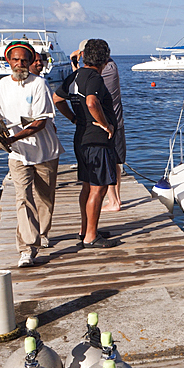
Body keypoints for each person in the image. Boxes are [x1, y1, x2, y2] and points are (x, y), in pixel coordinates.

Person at [0, 41, 64, 267]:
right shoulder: (2, 84)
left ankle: (42, 232)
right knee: (23, 198)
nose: (19, 64)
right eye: (15, 60)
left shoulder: (39, 84)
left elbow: (40, 122)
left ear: (30, 63)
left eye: (24, 61)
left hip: (44, 151)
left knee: (45, 198)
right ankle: (27, 249)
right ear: (8, 61)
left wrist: (13, 138)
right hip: (17, 154)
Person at [54, 38, 119, 249]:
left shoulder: (75, 76)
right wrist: (106, 124)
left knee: (87, 186)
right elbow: (91, 102)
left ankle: (85, 229)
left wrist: (74, 118)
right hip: (96, 141)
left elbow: (57, 99)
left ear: (83, 56)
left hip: (81, 138)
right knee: (98, 189)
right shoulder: (94, 78)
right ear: (105, 58)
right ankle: (91, 236)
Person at [100, 55, 127, 212]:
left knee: (107, 163)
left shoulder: (100, 74)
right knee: (116, 162)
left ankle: (113, 201)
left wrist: (74, 63)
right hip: (119, 123)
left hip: (106, 125)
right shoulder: (113, 68)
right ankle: (117, 198)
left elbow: (80, 85)